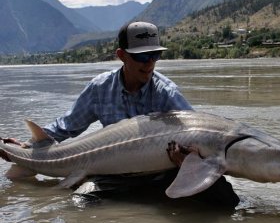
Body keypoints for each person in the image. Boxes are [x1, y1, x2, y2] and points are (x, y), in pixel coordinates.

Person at [43, 21, 194, 142]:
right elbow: (66, 127)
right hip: (113, 174)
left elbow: (195, 131)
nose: (149, 63)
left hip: (156, 174)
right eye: (141, 56)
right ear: (121, 55)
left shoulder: (167, 93)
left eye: (155, 55)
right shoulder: (100, 88)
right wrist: (32, 143)